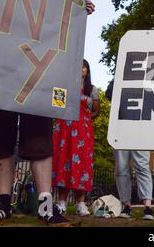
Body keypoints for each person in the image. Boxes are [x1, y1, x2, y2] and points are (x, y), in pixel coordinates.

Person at [0, 0, 95, 225]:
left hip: (38, 82)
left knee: (40, 142)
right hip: (1, 77)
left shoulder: (54, 6)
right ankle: (3, 203)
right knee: (0, 140)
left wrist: (79, 8)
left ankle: (45, 206)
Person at [53, 59, 100, 216]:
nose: (81, 69)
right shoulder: (63, 86)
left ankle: (81, 204)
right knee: (64, 162)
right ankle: (62, 203)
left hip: (82, 132)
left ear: (87, 70)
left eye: (84, 67)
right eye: (78, 66)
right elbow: (56, 105)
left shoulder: (92, 89)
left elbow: (96, 111)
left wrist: (83, 119)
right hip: (64, 130)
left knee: (83, 164)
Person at [105, 80, 154, 220]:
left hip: (141, 126)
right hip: (121, 126)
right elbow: (109, 94)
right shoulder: (119, 76)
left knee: (142, 165)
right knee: (121, 167)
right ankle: (126, 204)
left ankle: (148, 206)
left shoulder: (148, 78)